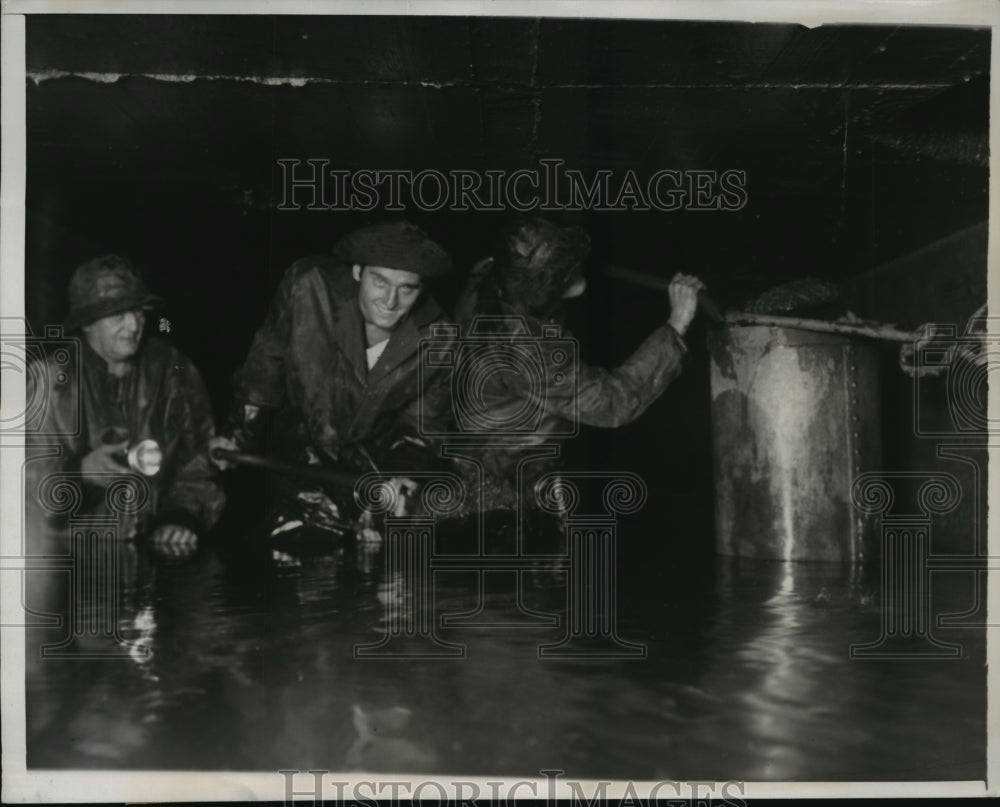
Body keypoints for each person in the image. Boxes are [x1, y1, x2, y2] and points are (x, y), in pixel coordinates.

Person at [210, 220, 454, 541]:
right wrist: (239, 433)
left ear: (421, 289)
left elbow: (423, 427)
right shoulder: (309, 287)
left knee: (385, 560)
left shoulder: (442, 338)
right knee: (298, 548)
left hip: (373, 470)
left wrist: (403, 475)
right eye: (379, 282)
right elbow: (266, 362)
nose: (390, 301)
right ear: (357, 272)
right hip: (300, 457)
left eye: (406, 288)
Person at [450, 216, 707, 517]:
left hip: (475, 472)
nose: (571, 269)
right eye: (558, 271)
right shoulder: (525, 350)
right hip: (508, 497)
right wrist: (676, 326)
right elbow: (612, 402)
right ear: (541, 289)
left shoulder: (487, 284)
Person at [26, 255, 225, 554]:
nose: (134, 325)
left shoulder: (172, 370)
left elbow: (198, 465)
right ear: (87, 322)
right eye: (118, 314)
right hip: (68, 561)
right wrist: (78, 474)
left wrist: (180, 518)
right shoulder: (46, 384)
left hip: (153, 555)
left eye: (139, 312)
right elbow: (17, 493)